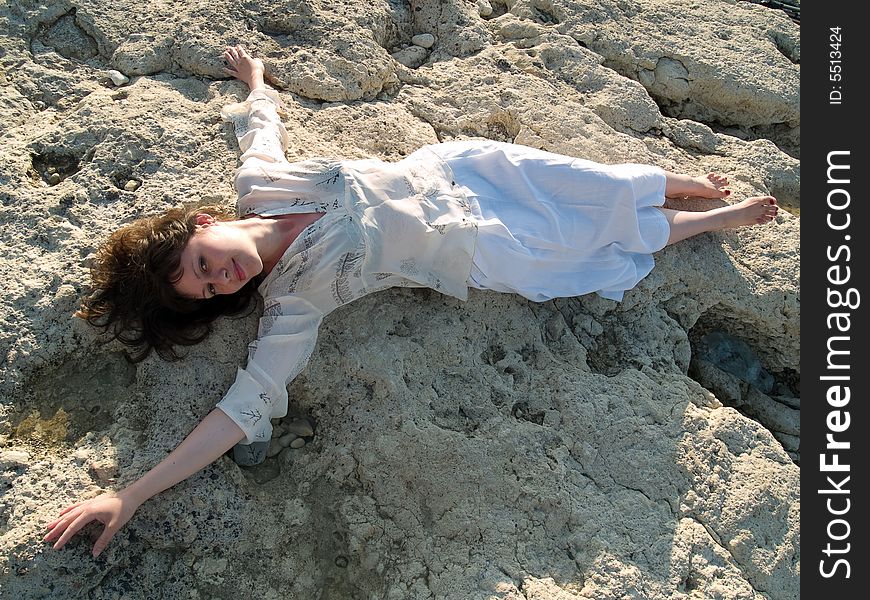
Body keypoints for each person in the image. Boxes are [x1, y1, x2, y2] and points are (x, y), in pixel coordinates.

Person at [44, 45, 778, 558]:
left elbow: (261, 130)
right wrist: (133, 495)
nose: (218, 279)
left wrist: (256, 80)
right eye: (204, 290)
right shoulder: (292, 300)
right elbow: (243, 405)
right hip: (477, 250)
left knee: (587, 185)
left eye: (202, 262)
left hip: (465, 171)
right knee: (583, 257)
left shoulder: (260, 188)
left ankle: (671, 183)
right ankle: (708, 221)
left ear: (204, 225)